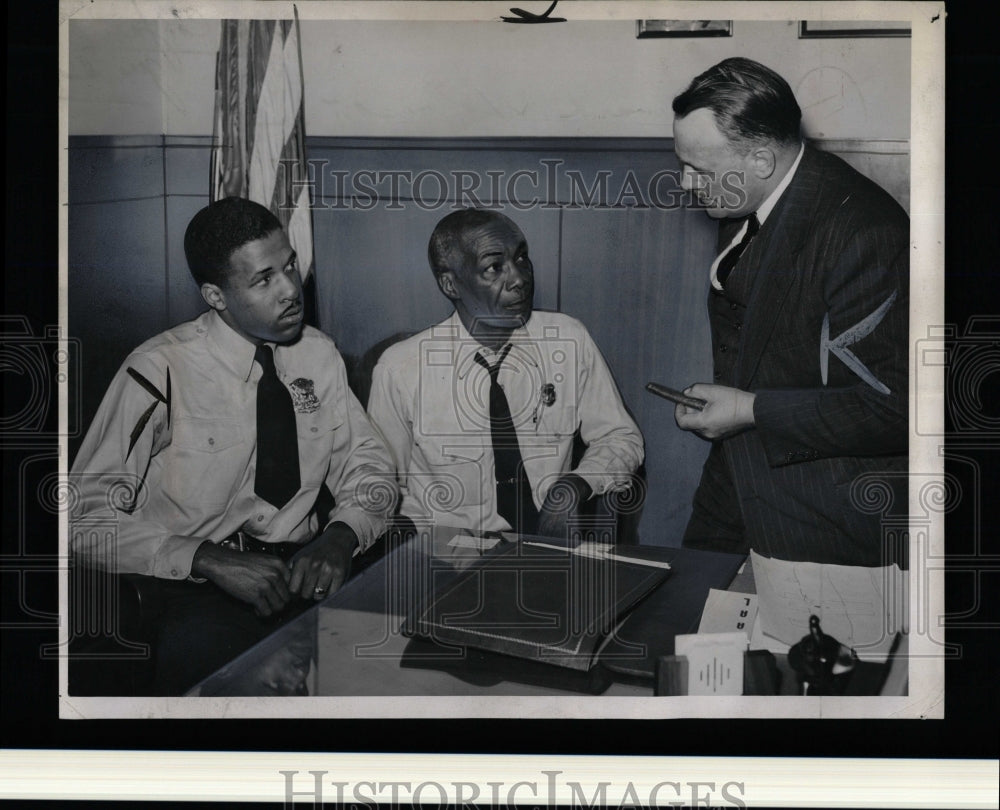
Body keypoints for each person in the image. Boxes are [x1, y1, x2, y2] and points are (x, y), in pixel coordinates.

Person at [70, 197, 396, 694]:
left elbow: (370, 466)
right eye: (263, 279)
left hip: (304, 575)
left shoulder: (318, 355)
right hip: (195, 592)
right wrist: (206, 559)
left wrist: (341, 535)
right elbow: (81, 520)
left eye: (289, 265)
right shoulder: (159, 369)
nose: (291, 290)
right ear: (215, 295)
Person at [670, 57, 909, 567]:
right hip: (734, 486)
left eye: (699, 171)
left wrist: (750, 410)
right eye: (682, 165)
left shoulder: (867, 233)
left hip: (826, 512)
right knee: (694, 633)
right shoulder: (742, 195)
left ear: (760, 160)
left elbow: (898, 410)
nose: (686, 185)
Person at [367, 209, 644, 539]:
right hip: (449, 556)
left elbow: (620, 436)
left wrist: (573, 486)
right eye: (494, 267)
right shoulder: (401, 370)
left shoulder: (568, 339)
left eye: (522, 258)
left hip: (548, 547)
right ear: (450, 283)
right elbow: (379, 482)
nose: (519, 278)